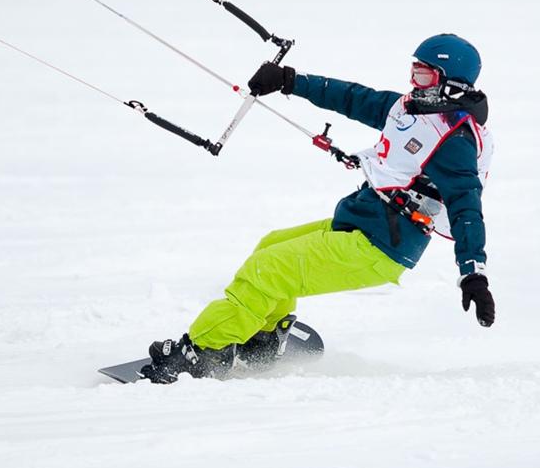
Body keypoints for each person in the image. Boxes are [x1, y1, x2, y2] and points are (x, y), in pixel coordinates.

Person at [140, 33, 495, 384]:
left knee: (269, 268)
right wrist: (290, 81)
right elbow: (351, 97)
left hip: (385, 244)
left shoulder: (455, 141)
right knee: (271, 245)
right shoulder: (409, 110)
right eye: (413, 71)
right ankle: (263, 341)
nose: (414, 83)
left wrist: (473, 274)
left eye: (424, 75)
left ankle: (202, 352)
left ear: (452, 85)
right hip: (365, 221)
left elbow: (467, 208)